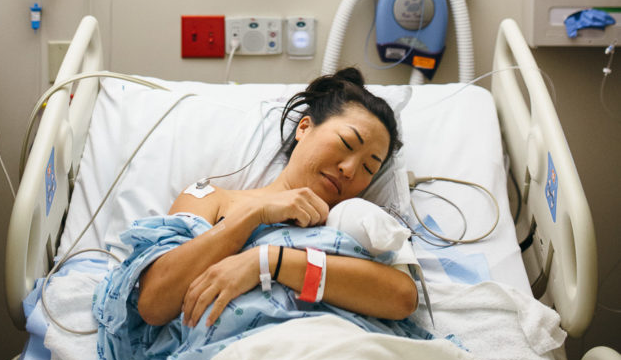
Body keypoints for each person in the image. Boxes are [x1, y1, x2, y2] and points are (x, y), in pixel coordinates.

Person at [137, 68, 418, 330]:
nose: (349, 169)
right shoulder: (211, 199)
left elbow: (402, 298)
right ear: (304, 128)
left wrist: (270, 262)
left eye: (369, 168)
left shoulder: (360, 222)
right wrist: (253, 215)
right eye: (346, 143)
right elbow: (154, 304)